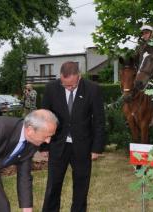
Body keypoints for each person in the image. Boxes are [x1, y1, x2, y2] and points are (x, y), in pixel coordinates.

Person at [41, 61, 105, 212]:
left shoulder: (93, 89)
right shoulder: (51, 89)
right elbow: (44, 117)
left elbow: (99, 120)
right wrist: (44, 145)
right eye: (65, 85)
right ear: (60, 77)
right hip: (57, 144)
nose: (68, 88)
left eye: (72, 85)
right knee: (53, 186)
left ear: (79, 77)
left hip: (83, 146)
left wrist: (96, 148)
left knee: (81, 187)